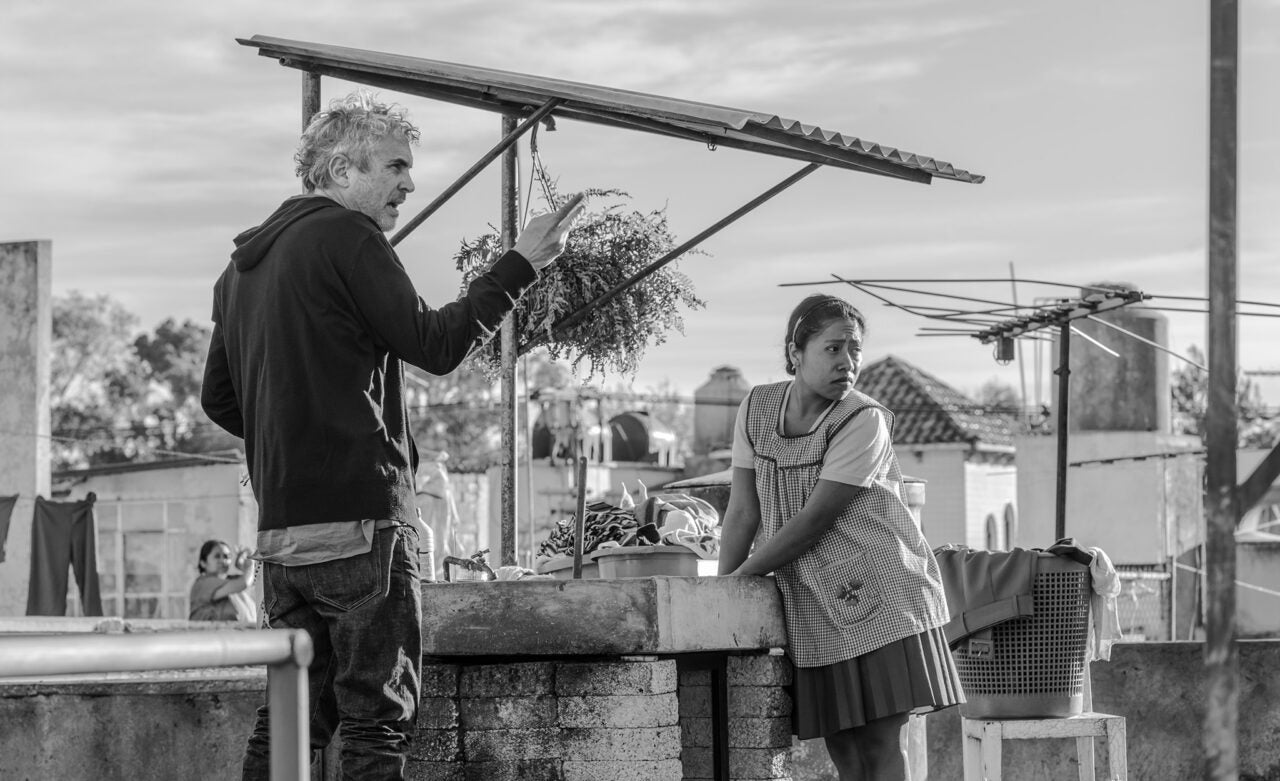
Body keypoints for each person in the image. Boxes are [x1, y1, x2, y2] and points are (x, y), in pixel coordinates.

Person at [200, 90, 585, 780]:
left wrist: (295, 437)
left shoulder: (239, 270)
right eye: (396, 166)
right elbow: (435, 344)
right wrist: (521, 261)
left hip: (283, 538)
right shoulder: (349, 237)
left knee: (288, 720)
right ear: (343, 171)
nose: (409, 184)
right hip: (362, 527)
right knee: (378, 720)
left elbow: (220, 399)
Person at [717, 294, 963, 781]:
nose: (847, 363)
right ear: (795, 351)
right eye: (833, 349)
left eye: (855, 350)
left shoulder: (863, 419)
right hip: (813, 607)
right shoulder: (756, 408)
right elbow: (743, 510)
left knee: (877, 744)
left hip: (882, 596)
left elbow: (815, 520)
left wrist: (745, 576)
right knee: (845, 753)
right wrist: (721, 594)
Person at [188, 539, 258, 623]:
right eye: (217, 556)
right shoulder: (202, 583)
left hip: (239, 634)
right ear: (203, 563)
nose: (223, 560)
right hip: (210, 635)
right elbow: (244, 583)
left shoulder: (230, 580)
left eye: (227, 557)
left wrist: (242, 568)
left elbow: (256, 580)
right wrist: (249, 565)